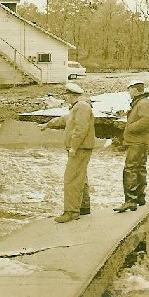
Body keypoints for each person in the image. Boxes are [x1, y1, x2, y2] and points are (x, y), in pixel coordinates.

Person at [41, 83, 95, 223]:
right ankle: (83, 207)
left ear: (72, 95)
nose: (66, 98)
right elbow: (65, 119)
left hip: (80, 148)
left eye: (67, 96)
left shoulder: (81, 107)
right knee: (80, 177)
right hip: (82, 148)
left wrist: (74, 147)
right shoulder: (77, 107)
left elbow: (81, 129)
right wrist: (48, 124)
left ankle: (71, 212)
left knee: (71, 178)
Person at [113, 80, 149, 213]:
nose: (128, 92)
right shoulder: (143, 102)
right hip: (142, 141)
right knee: (139, 169)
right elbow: (141, 116)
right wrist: (126, 114)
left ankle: (130, 201)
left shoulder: (143, 103)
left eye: (129, 89)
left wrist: (130, 127)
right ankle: (139, 199)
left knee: (130, 169)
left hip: (138, 142)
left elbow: (146, 120)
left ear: (135, 89)